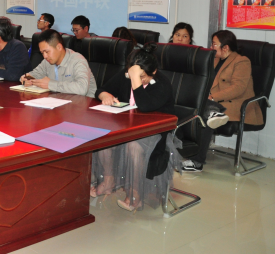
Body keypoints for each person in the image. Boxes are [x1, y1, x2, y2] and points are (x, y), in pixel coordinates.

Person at [91, 43, 180, 212]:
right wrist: (105, 95)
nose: (138, 79)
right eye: (133, 75)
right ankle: (108, 181)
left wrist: (135, 79)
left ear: (154, 72)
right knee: (104, 136)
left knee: (133, 146)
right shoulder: (125, 76)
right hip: (129, 127)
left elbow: (145, 105)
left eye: (142, 77)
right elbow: (100, 90)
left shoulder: (162, 84)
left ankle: (135, 193)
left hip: (155, 133)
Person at [181, 31, 258, 172]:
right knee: (188, 106)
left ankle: (197, 162)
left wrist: (212, 97)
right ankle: (183, 149)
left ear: (225, 47)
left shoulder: (242, 61)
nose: (211, 47)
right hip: (214, 102)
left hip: (236, 104)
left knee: (205, 115)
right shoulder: (214, 59)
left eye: (214, 44)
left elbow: (238, 88)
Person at [20, 30, 96, 97]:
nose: (45, 56)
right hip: (59, 102)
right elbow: (34, 74)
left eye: (47, 52)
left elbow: (82, 88)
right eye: (42, 53)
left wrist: (50, 84)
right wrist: (25, 78)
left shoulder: (78, 60)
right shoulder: (47, 61)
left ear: (59, 47)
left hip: (83, 105)